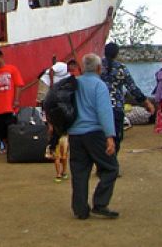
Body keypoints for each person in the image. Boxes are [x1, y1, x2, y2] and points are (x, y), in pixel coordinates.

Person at [68, 53, 119, 220]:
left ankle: (80, 209)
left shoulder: (75, 84)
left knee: (80, 172)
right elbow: (104, 112)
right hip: (94, 132)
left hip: (75, 133)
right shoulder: (99, 85)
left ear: (83, 68)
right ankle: (100, 203)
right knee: (110, 167)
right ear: (99, 68)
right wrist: (110, 136)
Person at [101, 42, 155, 154]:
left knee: (101, 138)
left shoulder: (97, 67)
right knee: (116, 137)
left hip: (99, 107)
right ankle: (112, 165)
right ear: (117, 54)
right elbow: (132, 88)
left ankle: (103, 166)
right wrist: (147, 103)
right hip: (116, 107)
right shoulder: (121, 68)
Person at [0, 49, 24, 151]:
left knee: (11, 127)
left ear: (1, 57)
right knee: (0, 129)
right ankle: (4, 146)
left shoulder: (12, 69)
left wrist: (16, 100)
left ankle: (12, 147)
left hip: (9, 106)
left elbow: (19, 85)